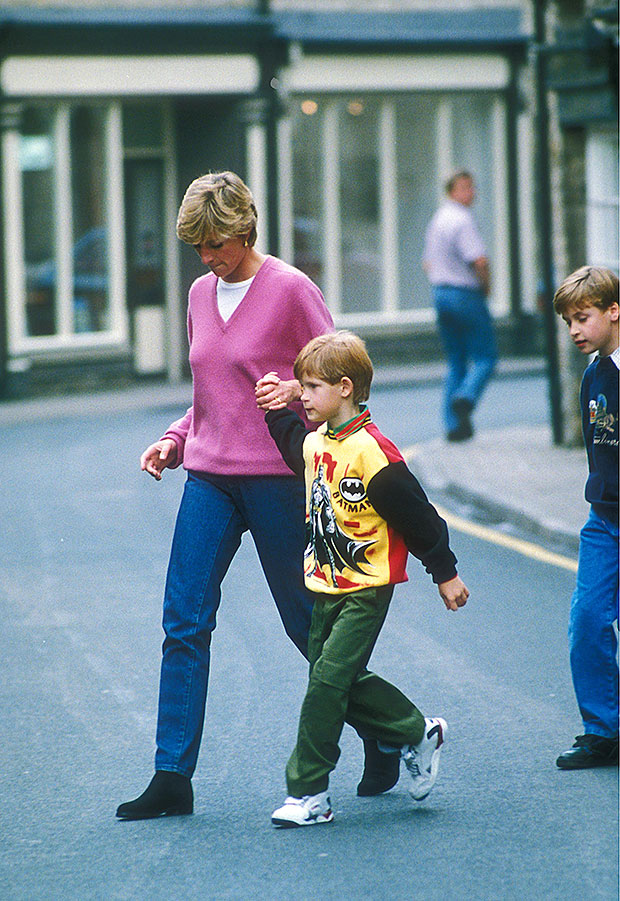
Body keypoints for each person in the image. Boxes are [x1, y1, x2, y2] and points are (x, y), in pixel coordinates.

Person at [115, 172, 396, 820]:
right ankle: (171, 775)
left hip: (279, 475)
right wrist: (174, 439)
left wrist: (297, 393)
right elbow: (209, 393)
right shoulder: (197, 293)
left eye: (217, 243)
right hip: (210, 475)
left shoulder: (291, 289)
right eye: (199, 247)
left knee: (310, 629)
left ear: (245, 229)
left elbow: (344, 377)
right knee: (183, 618)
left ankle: (382, 730)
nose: (209, 257)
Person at [259, 331, 469, 827]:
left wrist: (444, 571)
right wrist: (276, 408)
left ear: (346, 387)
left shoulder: (375, 455)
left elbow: (419, 517)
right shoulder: (319, 441)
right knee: (337, 679)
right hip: (323, 584)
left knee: (326, 684)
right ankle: (417, 730)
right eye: (302, 386)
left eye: (310, 386)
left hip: (365, 587)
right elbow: (296, 448)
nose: (302, 394)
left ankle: (309, 793)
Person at [553, 266, 619, 770]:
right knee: (588, 618)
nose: (574, 330)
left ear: (613, 312)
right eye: (568, 322)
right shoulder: (594, 375)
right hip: (604, 520)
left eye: (583, 318)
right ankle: (604, 731)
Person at [423, 170, 497, 441]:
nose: (472, 192)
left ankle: (454, 426)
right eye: (465, 187)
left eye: (472, 187)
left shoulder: (438, 219)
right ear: (452, 191)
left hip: (440, 292)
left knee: (455, 362)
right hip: (464, 292)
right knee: (486, 356)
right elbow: (479, 260)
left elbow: (427, 262)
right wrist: (486, 287)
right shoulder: (462, 220)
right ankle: (466, 396)